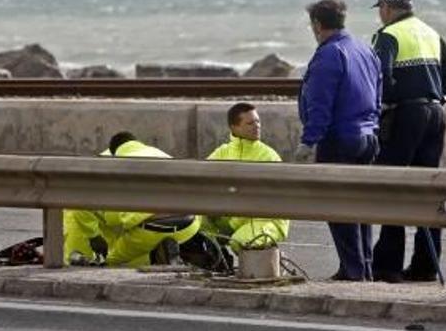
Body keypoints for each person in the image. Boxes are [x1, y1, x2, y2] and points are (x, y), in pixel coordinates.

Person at [369, 0, 446, 284]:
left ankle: (387, 265)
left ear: (385, 9)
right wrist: (441, 96)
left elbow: (379, 76)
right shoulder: (428, 31)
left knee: (391, 186)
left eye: (381, 10)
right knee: (429, 188)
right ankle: (425, 264)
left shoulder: (388, 36)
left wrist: (380, 107)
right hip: (435, 114)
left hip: (404, 116)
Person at [295, 0, 382, 282]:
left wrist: (309, 141)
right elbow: (378, 93)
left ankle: (353, 271)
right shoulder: (364, 49)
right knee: (362, 206)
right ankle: (363, 267)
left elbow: (320, 103)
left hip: (340, 139)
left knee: (338, 205)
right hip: (368, 137)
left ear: (317, 25)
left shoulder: (329, 54)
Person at [63, 131, 201, 267]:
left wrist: (94, 236)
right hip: (189, 225)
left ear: (113, 152)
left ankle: (94, 263)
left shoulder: (110, 165)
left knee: (111, 261)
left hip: (150, 229)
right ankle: (163, 254)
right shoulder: (160, 154)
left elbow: (80, 202)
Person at [201, 102, 290, 254]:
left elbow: (264, 201)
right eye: (250, 123)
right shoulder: (223, 152)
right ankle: (217, 263)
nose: (257, 126)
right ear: (234, 128)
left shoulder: (268, 156)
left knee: (240, 241)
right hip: (231, 218)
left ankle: (260, 269)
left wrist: (233, 223)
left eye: (258, 121)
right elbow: (201, 181)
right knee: (196, 225)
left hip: (265, 220)